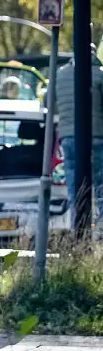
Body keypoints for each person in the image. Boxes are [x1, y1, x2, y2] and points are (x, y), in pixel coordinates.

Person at [53, 45, 103, 228]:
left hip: (68, 137)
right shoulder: (99, 74)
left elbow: (50, 103)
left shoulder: (60, 74)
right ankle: (101, 230)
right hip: (96, 136)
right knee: (100, 186)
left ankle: (79, 228)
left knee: (75, 187)